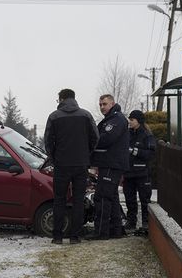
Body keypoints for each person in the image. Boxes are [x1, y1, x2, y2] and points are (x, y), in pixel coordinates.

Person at [44, 88, 99, 245]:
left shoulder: (54, 117)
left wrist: (55, 158)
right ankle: (75, 236)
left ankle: (57, 236)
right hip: (81, 164)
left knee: (59, 200)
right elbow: (95, 138)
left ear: (61, 99)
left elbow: (48, 142)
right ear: (74, 98)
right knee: (78, 200)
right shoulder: (86, 115)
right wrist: (86, 154)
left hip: (61, 165)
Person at [86, 94, 130, 240]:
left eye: (104, 104)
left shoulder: (116, 120)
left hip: (112, 163)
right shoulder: (109, 119)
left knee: (102, 197)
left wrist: (90, 141)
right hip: (108, 163)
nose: (102, 107)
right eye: (100, 104)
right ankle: (116, 230)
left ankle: (101, 232)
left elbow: (105, 138)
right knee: (112, 197)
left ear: (112, 103)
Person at [124, 109, 156, 233]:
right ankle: (131, 222)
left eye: (132, 120)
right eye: (129, 119)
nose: (130, 122)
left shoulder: (147, 135)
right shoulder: (127, 133)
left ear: (139, 121)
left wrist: (135, 151)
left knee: (144, 199)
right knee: (129, 199)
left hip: (142, 173)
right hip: (128, 172)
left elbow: (151, 153)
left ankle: (146, 223)